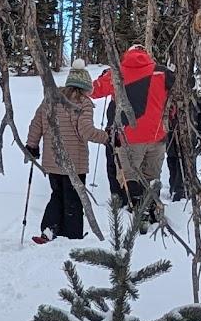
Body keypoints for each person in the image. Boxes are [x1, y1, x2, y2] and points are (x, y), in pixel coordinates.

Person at [92, 43, 171, 228]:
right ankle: (153, 208)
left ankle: (138, 213)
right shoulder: (161, 73)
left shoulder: (117, 73)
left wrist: (104, 76)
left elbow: (94, 91)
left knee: (129, 176)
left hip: (129, 137)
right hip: (157, 136)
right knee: (152, 175)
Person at [31, 65, 103, 244]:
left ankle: (50, 228)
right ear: (85, 87)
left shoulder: (51, 98)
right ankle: (72, 235)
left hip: (52, 159)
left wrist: (31, 145)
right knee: (73, 198)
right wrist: (107, 137)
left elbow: (36, 123)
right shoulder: (83, 103)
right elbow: (86, 130)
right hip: (75, 162)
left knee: (57, 194)